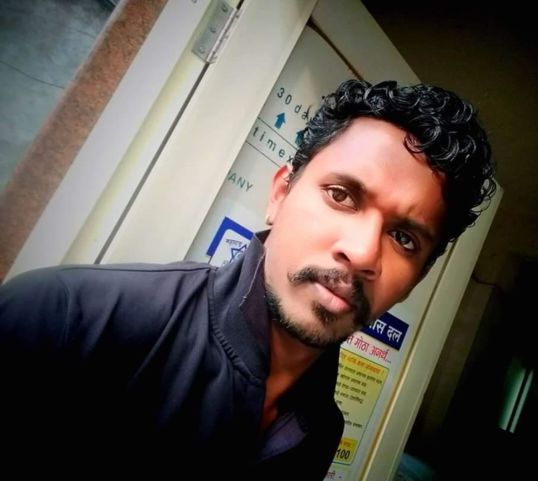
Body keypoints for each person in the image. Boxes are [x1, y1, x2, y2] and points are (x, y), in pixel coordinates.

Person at [0, 79, 496, 478]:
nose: (363, 252)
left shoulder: (322, 431)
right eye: (341, 195)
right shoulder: (63, 319)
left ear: (418, 278)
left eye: (405, 238)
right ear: (280, 194)